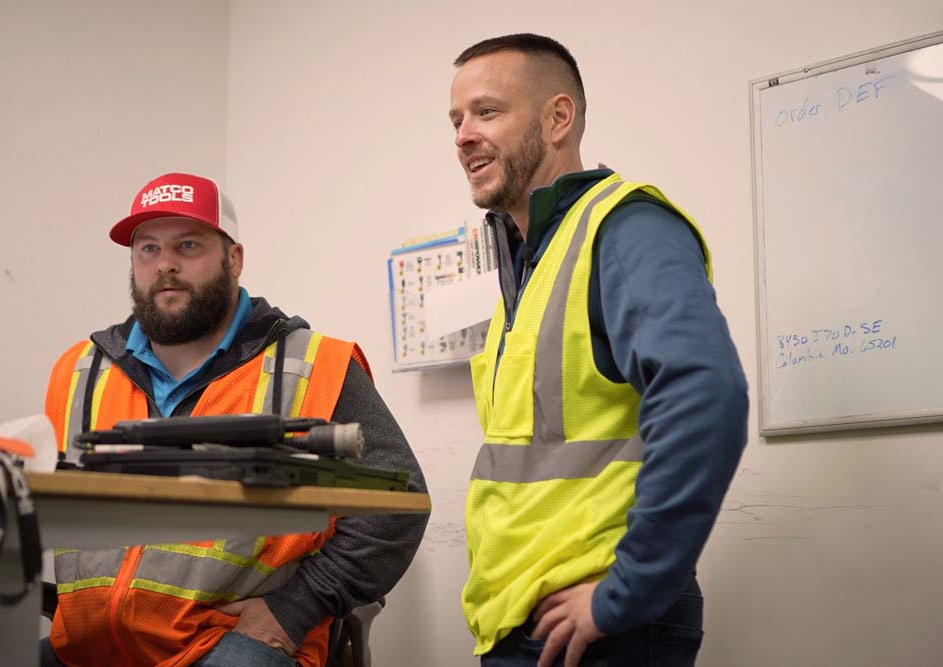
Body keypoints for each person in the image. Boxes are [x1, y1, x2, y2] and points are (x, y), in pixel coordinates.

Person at [39, 172, 429, 667]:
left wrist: (295, 609)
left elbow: (399, 503)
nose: (166, 266)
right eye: (149, 249)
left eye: (188, 245)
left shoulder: (314, 367)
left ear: (234, 259)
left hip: (228, 645)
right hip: (89, 647)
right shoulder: (78, 371)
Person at [449, 34, 748, 667]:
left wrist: (625, 594)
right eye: (456, 120)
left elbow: (706, 392)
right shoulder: (523, 266)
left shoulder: (625, 227)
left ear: (558, 118)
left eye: (487, 111)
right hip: (522, 618)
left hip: (597, 631)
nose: (464, 135)